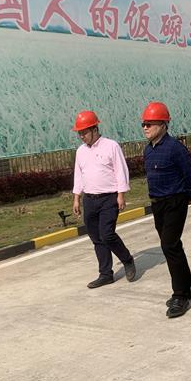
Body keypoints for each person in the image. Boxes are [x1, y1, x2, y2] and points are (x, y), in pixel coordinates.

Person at [141, 101, 191, 318]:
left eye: (150, 124)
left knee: (169, 245)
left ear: (163, 124)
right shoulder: (148, 149)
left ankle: (180, 295)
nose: (145, 128)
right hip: (157, 204)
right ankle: (186, 285)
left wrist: (190, 195)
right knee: (172, 246)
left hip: (175, 201)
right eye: (143, 124)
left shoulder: (175, 148)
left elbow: (189, 173)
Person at [71, 110, 136, 289]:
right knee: (96, 238)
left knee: (107, 234)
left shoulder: (111, 146)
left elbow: (121, 171)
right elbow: (79, 175)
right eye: (79, 133)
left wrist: (121, 195)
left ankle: (127, 259)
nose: (82, 136)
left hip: (109, 198)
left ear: (95, 129)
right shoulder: (81, 151)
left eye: (84, 132)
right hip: (89, 199)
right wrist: (76, 198)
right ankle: (106, 274)